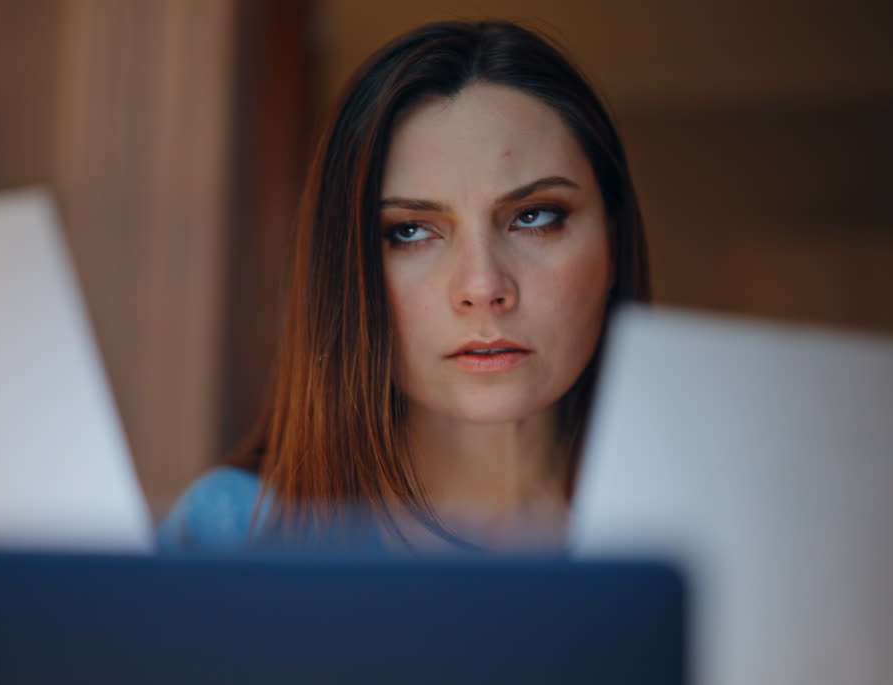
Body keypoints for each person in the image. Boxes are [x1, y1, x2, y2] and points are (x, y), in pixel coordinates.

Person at [159, 19, 650, 553]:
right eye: (410, 231)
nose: (483, 286)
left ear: (614, 244)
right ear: (344, 270)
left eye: (534, 216)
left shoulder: (702, 527)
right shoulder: (227, 534)